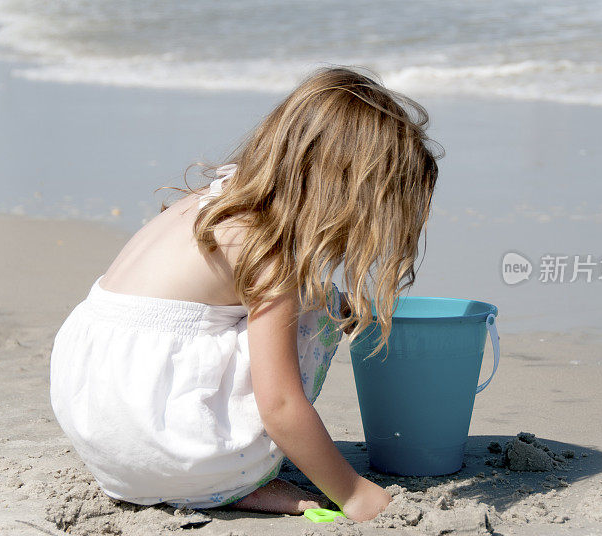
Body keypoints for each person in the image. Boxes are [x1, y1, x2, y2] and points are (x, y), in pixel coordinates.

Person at [49, 65, 441, 522]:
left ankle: (196, 472)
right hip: (161, 445)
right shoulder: (271, 252)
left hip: (100, 423)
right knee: (316, 309)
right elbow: (279, 405)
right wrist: (352, 493)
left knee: (317, 300)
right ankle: (226, 480)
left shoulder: (215, 200)